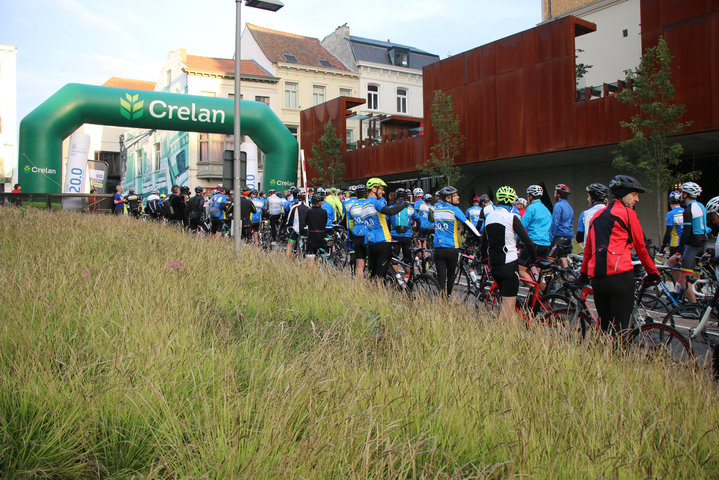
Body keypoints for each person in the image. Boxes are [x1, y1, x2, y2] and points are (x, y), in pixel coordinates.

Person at [576, 175, 659, 334]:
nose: (637, 199)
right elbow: (641, 247)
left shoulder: (596, 217)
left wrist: (582, 277)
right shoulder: (628, 214)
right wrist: (653, 273)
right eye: (634, 194)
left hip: (598, 280)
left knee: (605, 327)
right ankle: (619, 357)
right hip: (620, 277)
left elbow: (588, 250)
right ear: (622, 193)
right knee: (622, 328)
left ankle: (604, 358)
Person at [481, 186, 536, 320]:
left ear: (498, 201)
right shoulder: (512, 217)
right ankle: (499, 337)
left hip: (494, 265)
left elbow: (483, 244)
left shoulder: (489, 217)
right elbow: (527, 242)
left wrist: (484, 259)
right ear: (512, 203)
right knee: (508, 307)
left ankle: (512, 335)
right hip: (509, 264)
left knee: (509, 306)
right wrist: (534, 259)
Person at [433, 186, 481, 295]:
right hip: (451, 248)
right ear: (448, 199)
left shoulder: (437, 209)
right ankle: (448, 298)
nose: (458, 197)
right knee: (450, 276)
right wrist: (479, 238)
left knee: (441, 276)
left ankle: (440, 301)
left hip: (438, 248)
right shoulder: (454, 209)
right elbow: (469, 225)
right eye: (455, 195)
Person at [361, 177, 409, 280]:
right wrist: (403, 205)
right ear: (374, 188)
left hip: (371, 244)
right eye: (381, 189)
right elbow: (390, 212)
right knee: (381, 276)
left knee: (372, 276)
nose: (383, 192)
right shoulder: (375, 202)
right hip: (382, 242)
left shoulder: (364, 205)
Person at [673, 181, 710, 306]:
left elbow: (686, 232)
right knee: (686, 271)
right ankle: (681, 294)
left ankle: (693, 307)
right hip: (703, 242)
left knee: (684, 278)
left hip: (692, 245)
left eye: (682, 193)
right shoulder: (701, 206)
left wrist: (679, 250)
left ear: (685, 195)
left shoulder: (688, 210)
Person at [518, 185, 552, 283]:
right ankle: (542, 295)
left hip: (533, 243)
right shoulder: (546, 210)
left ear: (530, 196)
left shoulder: (531, 208)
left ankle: (533, 291)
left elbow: (522, 226)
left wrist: (515, 239)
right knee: (538, 272)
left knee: (521, 269)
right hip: (545, 245)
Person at [389, 188, 416, 283]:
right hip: (407, 235)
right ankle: (407, 279)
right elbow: (418, 220)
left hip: (395, 235)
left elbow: (386, 221)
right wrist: (415, 231)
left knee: (394, 258)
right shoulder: (410, 208)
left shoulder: (392, 207)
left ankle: (398, 279)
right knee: (407, 259)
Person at [549, 183, 574, 266]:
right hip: (568, 238)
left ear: (558, 194)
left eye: (555, 192)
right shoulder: (569, 207)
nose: (554, 194)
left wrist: (551, 239)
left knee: (549, 259)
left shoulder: (558, 206)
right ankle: (567, 277)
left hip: (559, 236)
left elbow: (555, 223)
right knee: (563, 257)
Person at [347, 185, 368, 276]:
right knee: (371, 263)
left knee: (359, 265)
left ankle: (360, 286)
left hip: (357, 237)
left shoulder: (352, 207)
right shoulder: (369, 204)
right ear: (366, 194)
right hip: (368, 237)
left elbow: (350, 224)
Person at [302, 193, 329, 261]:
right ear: (319, 203)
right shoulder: (324, 212)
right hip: (322, 236)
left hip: (312, 236)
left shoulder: (308, 211)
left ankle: (311, 271)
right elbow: (325, 222)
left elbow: (305, 222)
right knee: (324, 255)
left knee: (310, 255)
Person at [285, 191, 310, 259]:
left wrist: (288, 225)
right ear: (305, 198)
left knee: (289, 245)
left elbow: (289, 219)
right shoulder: (308, 207)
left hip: (296, 230)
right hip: (306, 230)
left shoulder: (294, 207)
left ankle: (287, 261)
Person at [661, 191, 684, 257]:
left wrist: (663, 246)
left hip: (675, 244)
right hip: (686, 243)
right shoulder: (685, 211)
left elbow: (668, 232)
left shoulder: (670, 214)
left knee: (672, 264)